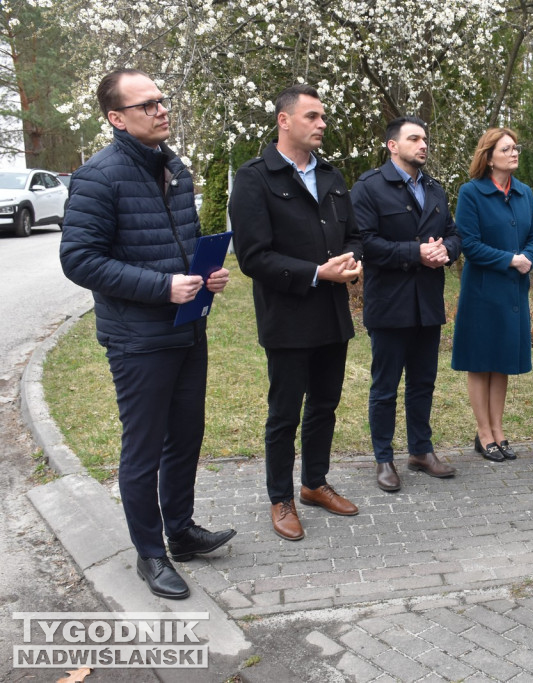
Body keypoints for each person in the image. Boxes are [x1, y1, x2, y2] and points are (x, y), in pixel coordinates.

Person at [60, 69, 236, 600]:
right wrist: (163, 287)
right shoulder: (99, 176)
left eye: (162, 99)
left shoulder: (173, 167)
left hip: (187, 330)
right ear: (116, 118)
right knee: (144, 450)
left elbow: (173, 244)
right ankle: (150, 554)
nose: (161, 109)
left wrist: (205, 275)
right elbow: (79, 259)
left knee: (185, 438)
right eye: (147, 105)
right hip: (138, 339)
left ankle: (179, 533)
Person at [230, 84, 363, 542]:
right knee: (285, 413)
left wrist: (352, 260)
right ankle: (279, 498)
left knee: (324, 405)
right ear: (284, 121)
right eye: (312, 116)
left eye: (322, 116)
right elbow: (253, 257)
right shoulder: (255, 178)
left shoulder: (331, 175)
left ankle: (313, 483)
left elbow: (356, 235)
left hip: (332, 315)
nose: (322, 123)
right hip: (287, 318)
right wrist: (315, 272)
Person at [350, 116, 461, 492]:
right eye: (414, 138)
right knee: (385, 386)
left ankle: (421, 450)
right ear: (392, 146)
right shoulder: (369, 187)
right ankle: (383, 458)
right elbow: (365, 242)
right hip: (390, 303)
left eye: (425, 138)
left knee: (423, 383)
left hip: (427, 303)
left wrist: (446, 249)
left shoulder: (435, 189)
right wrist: (417, 253)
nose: (423, 144)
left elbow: (454, 233)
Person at [450, 128, 533, 462]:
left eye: (516, 147)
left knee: (501, 363)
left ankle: (498, 430)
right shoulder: (471, 193)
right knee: (480, 363)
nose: (515, 152)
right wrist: (509, 259)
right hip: (482, 293)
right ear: (489, 157)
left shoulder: (524, 193)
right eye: (507, 149)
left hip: (513, 293)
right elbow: (469, 245)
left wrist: (528, 257)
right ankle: (483, 432)